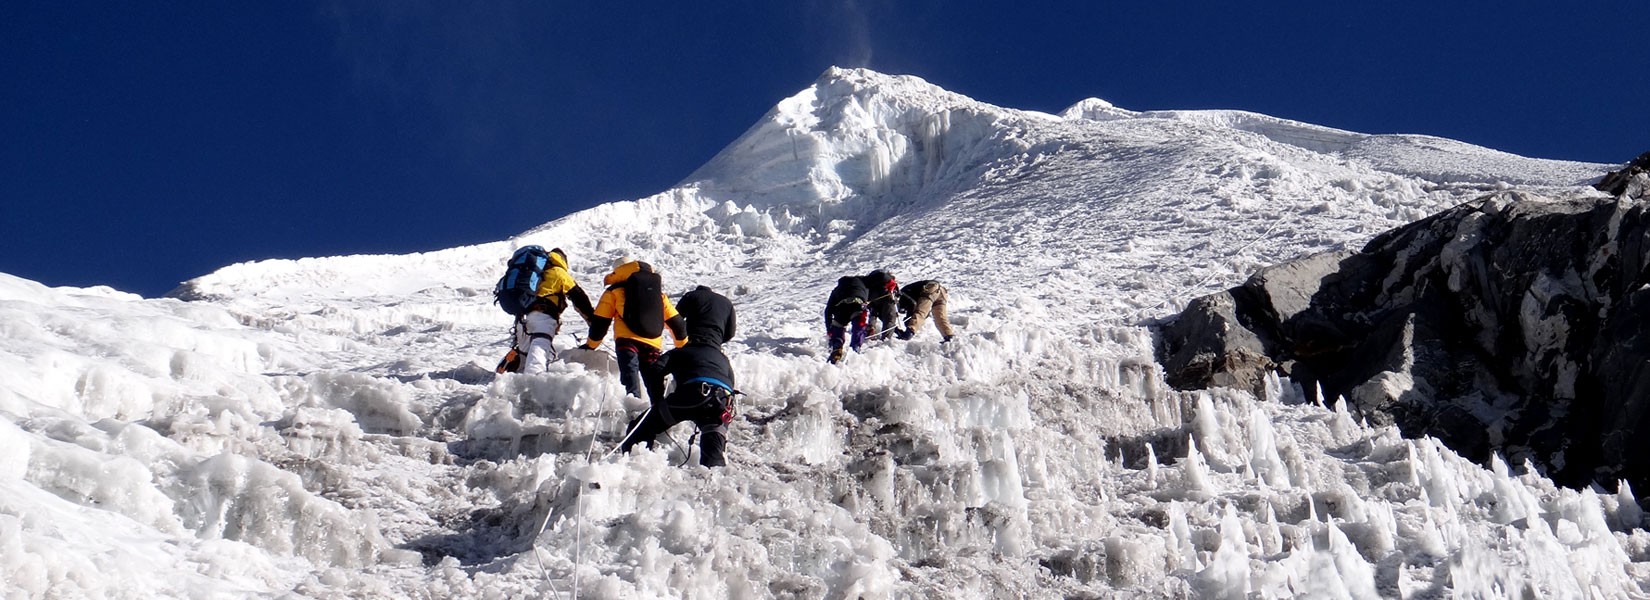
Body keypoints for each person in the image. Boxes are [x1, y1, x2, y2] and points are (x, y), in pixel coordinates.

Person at [623, 286, 738, 467]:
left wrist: (658, 399)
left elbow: (655, 369)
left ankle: (635, 469)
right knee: (713, 458)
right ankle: (712, 483)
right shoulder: (724, 360)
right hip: (721, 401)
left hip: (690, 397)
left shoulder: (681, 352)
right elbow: (730, 334)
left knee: (638, 430)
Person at [583, 257, 686, 402]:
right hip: (652, 344)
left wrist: (590, 345)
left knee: (630, 379)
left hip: (627, 342)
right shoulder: (658, 295)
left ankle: (633, 409)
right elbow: (678, 325)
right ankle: (659, 413)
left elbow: (600, 323)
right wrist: (683, 348)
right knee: (654, 382)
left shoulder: (614, 292)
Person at [515, 248, 596, 374]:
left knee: (524, 356)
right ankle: (533, 386)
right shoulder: (558, 272)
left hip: (522, 319)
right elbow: (578, 296)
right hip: (543, 316)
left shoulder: (534, 272)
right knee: (539, 348)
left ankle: (512, 386)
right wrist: (592, 320)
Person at [824, 275, 870, 364]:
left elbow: (828, 310)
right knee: (858, 328)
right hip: (858, 306)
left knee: (838, 328)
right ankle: (855, 350)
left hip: (841, 309)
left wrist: (829, 329)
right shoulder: (863, 286)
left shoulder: (837, 289)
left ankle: (837, 348)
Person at [861, 269, 899, 340]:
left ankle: (871, 327)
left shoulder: (871, 279)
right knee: (889, 318)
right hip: (886, 297)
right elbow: (894, 288)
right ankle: (886, 338)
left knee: (874, 313)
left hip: (872, 298)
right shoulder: (889, 279)